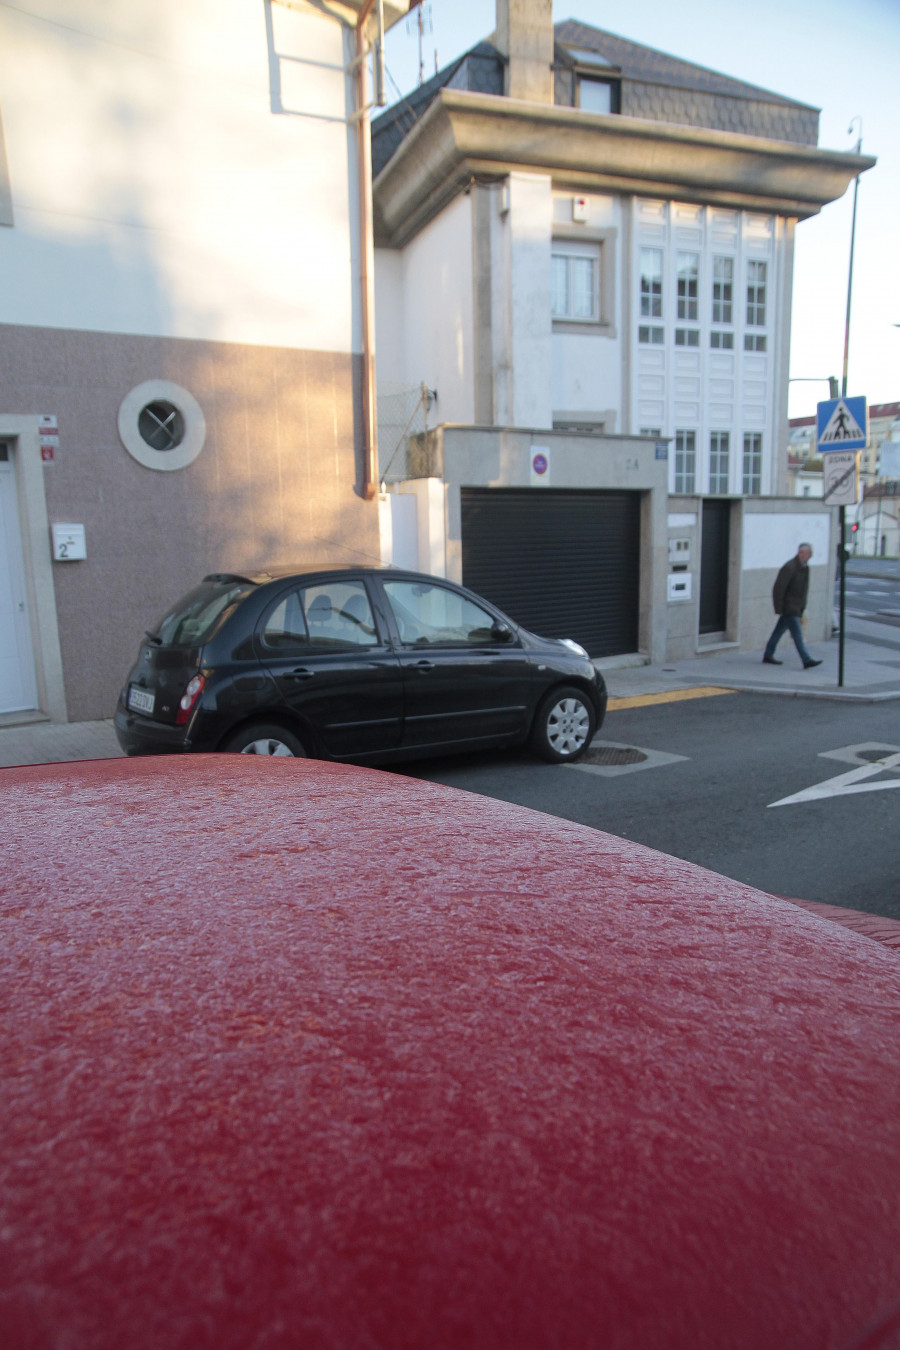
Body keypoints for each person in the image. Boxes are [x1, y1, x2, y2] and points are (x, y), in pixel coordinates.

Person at [762, 543, 823, 669]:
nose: (810, 555)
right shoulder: (790, 567)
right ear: (801, 553)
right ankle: (806, 660)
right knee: (797, 635)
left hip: (794, 607)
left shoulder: (804, 567)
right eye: (808, 553)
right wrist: (779, 608)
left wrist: (802, 607)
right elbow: (779, 588)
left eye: (810, 553)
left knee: (777, 632)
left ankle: (768, 654)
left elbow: (803, 589)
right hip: (789, 607)